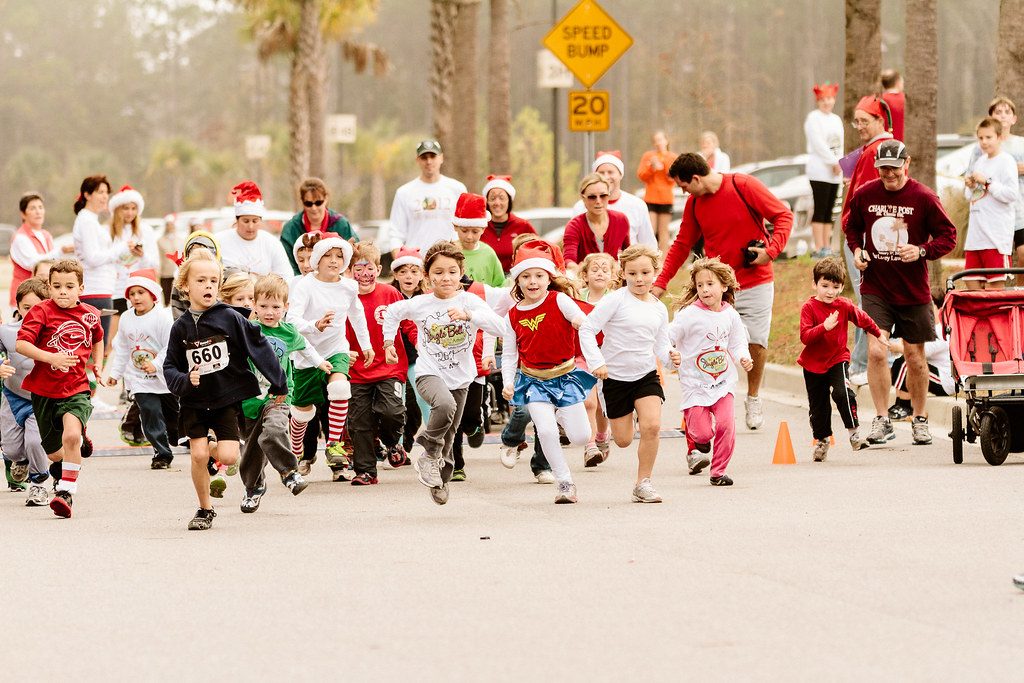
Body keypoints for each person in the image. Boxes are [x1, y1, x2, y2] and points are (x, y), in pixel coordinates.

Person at [652, 152, 793, 431]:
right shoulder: (694, 204)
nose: (683, 192)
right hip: (716, 287)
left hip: (755, 279)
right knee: (709, 342)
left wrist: (771, 251)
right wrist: (661, 280)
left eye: (683, 186)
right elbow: (682, 244)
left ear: (696, 178)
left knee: (756, 341)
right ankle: (709, 400)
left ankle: (753, 397)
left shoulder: (743, 185)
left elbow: (783, 215)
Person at [162, 249, 288, 531]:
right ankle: (205, 509)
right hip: (194, 401)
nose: (208, 286)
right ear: (185, 286)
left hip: (225, 400)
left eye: (213, 281)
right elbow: (169, 366)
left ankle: (209, 446)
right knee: (197, 456)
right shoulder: (180, 327)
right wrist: (185, 380)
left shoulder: (230, 317)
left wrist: (278, 382)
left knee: (229, 457)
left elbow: (259, 346)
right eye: (201, 281)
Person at [844, 139, 957, 447]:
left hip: (912, 290)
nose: (889, 174)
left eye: (894, 168)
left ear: (907, 164)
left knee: (915, 357)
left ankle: (919, 419)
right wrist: (857, 250)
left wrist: (922, 250)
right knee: (877, 350)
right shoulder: (865, 194)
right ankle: (882, 419)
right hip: (876, 287)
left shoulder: (924, 197)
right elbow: (851, 227)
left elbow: (948, 236)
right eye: (883, 168)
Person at [381, 241, 508, 506]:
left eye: (452, 271)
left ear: (461, 272)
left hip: (461, 377)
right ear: (427, 276)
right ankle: (428, 450)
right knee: (444, 405)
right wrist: (388, 342)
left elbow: (501, 327)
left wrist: (469, 315)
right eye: (438, 272)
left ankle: (440, 479)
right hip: (429, 373)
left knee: (450, 436)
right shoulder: (421, 303)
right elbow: (392, 312)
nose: (446, 278)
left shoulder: (470, 301)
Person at [579, 245, 678, 503]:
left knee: (652, 426)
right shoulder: (615, 299)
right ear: (623, 273)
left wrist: (671, 358)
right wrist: (597, 362)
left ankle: (643, 483)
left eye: (645, 273)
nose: (639, 279)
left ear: (655, 273)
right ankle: (627, 418)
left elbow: (661, 345)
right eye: (632, 273)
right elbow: (587, 329)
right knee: (623, 440)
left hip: (645, 375)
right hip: (613, 377)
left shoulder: (658, 308)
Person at [501, 241, 594, 504]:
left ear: (549, 278)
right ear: (517, 281)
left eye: (539, 276)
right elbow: (509, 355)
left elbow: (581, 319)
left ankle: (561, 413)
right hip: (533, 381)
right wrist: (508, 382)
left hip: (565, 376)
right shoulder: (512, 316)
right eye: (526, 276)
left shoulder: (559, 300)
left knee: (581, 437)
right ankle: (565, 483)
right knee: (547, 432)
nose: (533, 282)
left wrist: (579, 321)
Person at [15, 259, 104, 518]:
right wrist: (51, 357)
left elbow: (98, 338)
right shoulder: (40, 311)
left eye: (69, 286)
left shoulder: (90, 314)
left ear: (81, 288)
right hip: (44, 391)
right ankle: (73, 452)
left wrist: (98, 364)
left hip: (76, 388)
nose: (62, 291)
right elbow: (22, 344)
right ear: (49, 288)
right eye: (56, 286)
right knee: (55, 452)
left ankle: (66, 493)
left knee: (71, 437)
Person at [237, 274, 327, 513]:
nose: (269, 312)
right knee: (251, 451)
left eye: (276, 307)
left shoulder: (288, 332)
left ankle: (289, 473)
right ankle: (253, 488)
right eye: (264, 306)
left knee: (275, 429)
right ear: (254, 305)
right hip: (249, 398)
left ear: (285, 307)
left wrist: (319, 362)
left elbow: (305, 347)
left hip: (278, 395)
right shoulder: (248, 330)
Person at [288, 235, 373, 481]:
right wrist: (315, 325)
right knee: (302, 414)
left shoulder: (349, 287)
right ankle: (296, 450)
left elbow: (357, 316)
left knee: (340, 388)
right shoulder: (305, 285)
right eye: (328, 255)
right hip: (306, 353)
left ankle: (334, 444)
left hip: (336, 349)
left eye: (339, 256)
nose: (334, 261)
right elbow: (292, 321)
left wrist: (366, 345)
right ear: (317, 258)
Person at [669, 257, 752, 484]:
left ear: (724, 286)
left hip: (723, 382)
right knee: (702, 433)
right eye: (700, 285)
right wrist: (670, 353)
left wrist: (743, 358)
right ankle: (699, 440)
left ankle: (718, 472)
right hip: (694, 384)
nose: (704, 289)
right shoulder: (688, 314)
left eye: (710, 284)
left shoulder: (730, 314)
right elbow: (668, 336)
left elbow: (737, 343)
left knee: (726, 424)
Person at [798, 257, 883, 462]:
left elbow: (863, 319)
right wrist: (824, 327)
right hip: (813, 365)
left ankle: (855, 435)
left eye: (835, 287)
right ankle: (822, 440)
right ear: (815, 284)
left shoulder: (844, 305)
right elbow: (805, 337)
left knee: (842, 392)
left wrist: (878, 333)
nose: (830, 291)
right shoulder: (809, 308)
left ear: (842, 287)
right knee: (818, 408)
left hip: (838, 358)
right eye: (825, 286)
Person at [344, 242, 413, 486]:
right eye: (358, 269)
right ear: (349, 270)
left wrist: (420, 343)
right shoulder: (345, 298)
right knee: (359, 421)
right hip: (357, 370)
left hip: (390, 367)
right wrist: (343, 352)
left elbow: (408, 323)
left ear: (379, 269)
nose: (364, 274)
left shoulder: (390, 294)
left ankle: (393, 442)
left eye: (369, 268)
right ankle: (365, 471)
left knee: (391, 411)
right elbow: (338, 331)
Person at [842, 95, 894, 385]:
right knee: (869, 299)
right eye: (856, 121)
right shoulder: (874, 148)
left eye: (864, 120)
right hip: (867, 233)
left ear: (879, 120)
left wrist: (860, 242)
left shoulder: (878, 149)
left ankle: (863, 365)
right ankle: (864, 362)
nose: (859, 126)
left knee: (868, 301)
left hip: (865, 235)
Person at [103, 269, 177, 470]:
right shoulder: (126, 318)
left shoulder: (162, 317)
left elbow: (170, 347)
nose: (135, 297)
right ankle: (161, 453)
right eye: (131, 293)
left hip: (164, 379)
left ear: (152, 294)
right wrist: (115, 374)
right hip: (139, 380)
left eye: (140, 292)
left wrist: (156, 364)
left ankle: (177, 437)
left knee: (173, 418)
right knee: (150, 413)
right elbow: (122, 349)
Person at [0, 278, 50, 506]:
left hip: (40, 398)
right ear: (18, 307)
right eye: (26, 307)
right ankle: (19, 461)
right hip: (12, 396)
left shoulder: (53, 331)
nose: (31, 313)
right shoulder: (6, 332)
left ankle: (38, 484)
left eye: (37, 307)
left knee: (34, 441)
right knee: (11, 448)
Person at [962, 116, 1019, 290]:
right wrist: (971, 186)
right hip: (975, 238)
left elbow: (1011, 194)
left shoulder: (1006, 161)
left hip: (995, 238)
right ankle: (980, 310)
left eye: (989, 137)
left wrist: (987, 182)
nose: (984, 142)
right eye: (981, 138)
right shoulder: (979, 161)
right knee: (971, 282)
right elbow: (970, 196)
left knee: (995, 288)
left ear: (1000, 137)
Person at [388, 140, 467, 258]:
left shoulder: (457, 188)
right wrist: (402, 262)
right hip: (416, 261)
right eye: (424, 157)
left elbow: (467, 226)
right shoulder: (404, 192)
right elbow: (395, 234)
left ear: (441, 158)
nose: (429, 161)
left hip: (450, 260)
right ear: (417, 160)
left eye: (432, 156)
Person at [72, 174, 126, 341]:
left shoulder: (91, 220)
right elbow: (92, 258)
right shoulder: (86, 220)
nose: (104, 197)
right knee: (96, 347)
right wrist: (121, 248)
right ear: (87, 195)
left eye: (106, 193)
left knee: (99, 346)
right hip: (94, 291)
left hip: (101, 289)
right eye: (100, 192)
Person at [575, 252, 616, 465]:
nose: (600, 273)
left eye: (605, 270)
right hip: (582, 354)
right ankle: (590, 445)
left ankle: (602, 434)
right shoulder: (576, 299)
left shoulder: (616, 299)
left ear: (612, 275)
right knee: (588, 401)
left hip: (607, 355)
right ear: (585, 275)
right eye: (595, 269)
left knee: (601, 405)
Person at [887, 292, 955, 420]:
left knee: (908, 363)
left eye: (930, 306)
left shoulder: (942, 330)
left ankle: (905, 406)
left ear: (940, 308)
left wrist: (897, 347)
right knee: (901, 361)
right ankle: (899, 402)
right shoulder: (929, 327)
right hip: (935, 373)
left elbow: (922, 352)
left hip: (945, 381)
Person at [107, 185, 158, 352]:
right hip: (114, 290)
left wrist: (142, 255)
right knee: (109, 342)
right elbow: (102, 259)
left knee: (137, 341)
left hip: (138, 290)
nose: (129, 213)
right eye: (125, 208)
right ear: (117, 209)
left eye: (133, 208)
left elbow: (154, 264)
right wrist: (121, 248)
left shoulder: (146, 231)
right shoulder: (107, 231)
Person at [390, 246, 430, 452]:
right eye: (403, 271)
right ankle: (396, 449)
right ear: (395, 274)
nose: (408, 276)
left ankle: (435, 443)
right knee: (397, 402)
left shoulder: (427, 298)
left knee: (425, 397)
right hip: (394, 357)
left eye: (414, 271)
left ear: (421, 275)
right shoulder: (389, 296)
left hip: (418, 357)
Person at [571, 151, 656, 248]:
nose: (606, 177)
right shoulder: (581, 206)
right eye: (601, 173)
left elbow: (649, 244)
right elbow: (573, 244)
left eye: (610, 172)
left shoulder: (637, 205)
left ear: (620, 175)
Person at [980, 96, 1024, 285]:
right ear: (990, 117)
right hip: (994, 210)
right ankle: (995, 294)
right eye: (998, 112)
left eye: (1007, 112)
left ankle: (1020, 293)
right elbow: (975, 172)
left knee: (1023, 253)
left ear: (1014, 118)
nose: (1003, 115)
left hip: (1020, 209)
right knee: (993, 259)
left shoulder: (1021, 143)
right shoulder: (984, 144)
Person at [280, 177, 358, 275]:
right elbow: (286, 263)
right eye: (308, 203)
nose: (314, 208)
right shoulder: (291, 228)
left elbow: (356, 254)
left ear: (326, 199)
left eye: (318, 202)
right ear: (302, 202)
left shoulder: (340, 224)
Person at [217, 181, 293, 279]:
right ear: (237, 220)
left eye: (255, 221)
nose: (250, 226)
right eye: (246, 221)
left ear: (260, 220)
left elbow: (286, 275)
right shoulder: (219, 240)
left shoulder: (271, 242)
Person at [9, 192, 72, 309]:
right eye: (33, 208)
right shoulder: (20, 237)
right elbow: (34, 264)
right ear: (23, 213)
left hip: (43, 296)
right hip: (25, 299)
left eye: (40, 207)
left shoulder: (46, 234)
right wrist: (61, 251)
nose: (38, 212)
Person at [804, 82, 844, 257]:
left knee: (829, 209)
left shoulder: (836, 119)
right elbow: (818, 144)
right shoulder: (814, 118)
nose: (827, 102)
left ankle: (827, 245)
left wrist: (840, 163)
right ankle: (819, 246)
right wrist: (833, 161)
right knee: (820, 207)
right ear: (818, 101)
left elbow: (840, 144)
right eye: (823, 99)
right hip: (819, 170)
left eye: (829, 99)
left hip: (834, 172)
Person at [562, 173, 631, 272]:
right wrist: (582, 271)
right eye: (592, 197)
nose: (598, 201)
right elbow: (569, 261)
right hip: (584, 279)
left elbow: (628, 256)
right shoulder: (574, 225)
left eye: (603, 195)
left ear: (609, 195)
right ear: (583, 198)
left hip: (614, 278)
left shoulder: (621, 220)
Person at [480, 175, 536, 273]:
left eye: (502, 198)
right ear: (487, 201)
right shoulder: (479, 226)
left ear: (509, 200)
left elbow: (538, 250)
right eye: (492, 198)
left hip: (513, 278)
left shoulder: (523, 225)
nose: (497, 203)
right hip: (484, 278)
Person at [637, 131, 677, 252]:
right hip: (651, 197)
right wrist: (652, 167)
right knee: (650, 229)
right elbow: (642, 176)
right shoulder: (648, 156)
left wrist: (664, 163)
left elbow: (672, 178)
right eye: (656, 141)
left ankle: (664, 260)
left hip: (666, 198)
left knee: (663, 231)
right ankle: (649, 256)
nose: (658, 143)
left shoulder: (672, 157)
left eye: (660, 140)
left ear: (666, 141)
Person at [454, 192, 505, 286]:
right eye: (464, 231)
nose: (469, 237)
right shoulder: (448, 252)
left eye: (475, 232)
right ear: (455, 226)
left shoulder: (489, 253)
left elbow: (500, 284)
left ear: (483, 229)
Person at [157, 215, 181, 303]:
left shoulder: (179, 239)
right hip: (165, 273)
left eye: (172, 224)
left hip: (177, 272)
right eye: (168, 224)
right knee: (167, 296)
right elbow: (159, 256)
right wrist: (159, 269)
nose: (170, 227)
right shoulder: (160, 240)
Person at [880, 69, 905, 142]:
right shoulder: (906, 100)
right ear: (898, 82)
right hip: (903, 143)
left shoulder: (879, 99)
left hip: (884, 143)